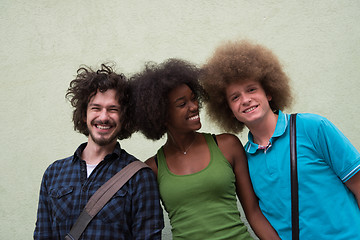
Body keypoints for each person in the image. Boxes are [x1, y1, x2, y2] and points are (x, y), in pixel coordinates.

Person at [200, 40, 360, 239]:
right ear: (230, 111)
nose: (245, 100)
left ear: (268, 93)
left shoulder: (313, 127)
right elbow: (256, 214)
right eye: (235, 97)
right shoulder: (244, 160)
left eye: (251, 89)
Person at [130, 58, 280, 240]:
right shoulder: (153, 168)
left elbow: (254, 212)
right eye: (182, 104)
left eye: (193, 99)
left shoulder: (227, 146)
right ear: (161, 115)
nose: (194, 107)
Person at [34, 64, 164, 239]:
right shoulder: (54, 173)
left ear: (124, 117)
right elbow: (43, 235)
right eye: (96, 108)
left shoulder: (140, 177)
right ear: (84, 114)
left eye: (113, 109)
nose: (103, 117)